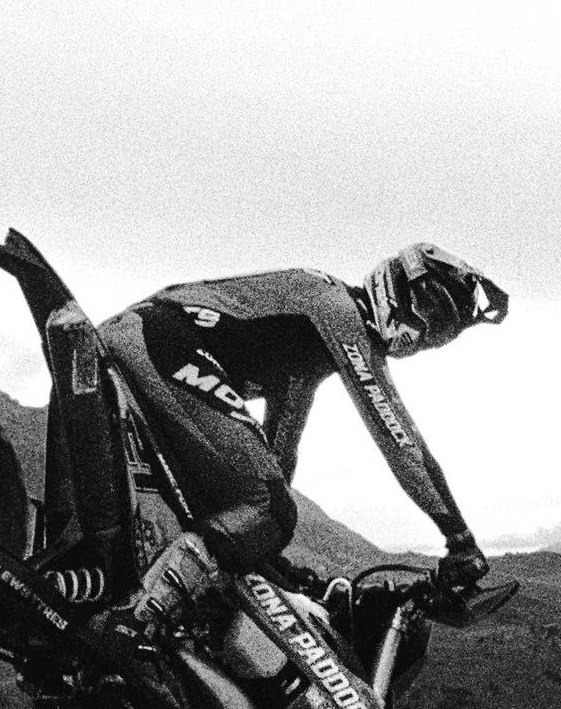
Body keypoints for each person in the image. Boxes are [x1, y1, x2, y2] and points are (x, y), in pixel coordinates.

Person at [96, 244, 507, 645]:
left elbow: (278, 454)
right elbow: (398, 439)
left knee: (251, 515)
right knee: (269, 509)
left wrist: (269, 555)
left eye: (440, 331)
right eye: (428, 307)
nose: (422, 332)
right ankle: (138, 620)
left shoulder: (309, 347)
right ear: (395, 282)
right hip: (161, 339)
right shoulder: (340, 311)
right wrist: (459, 538)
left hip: (145, 336)